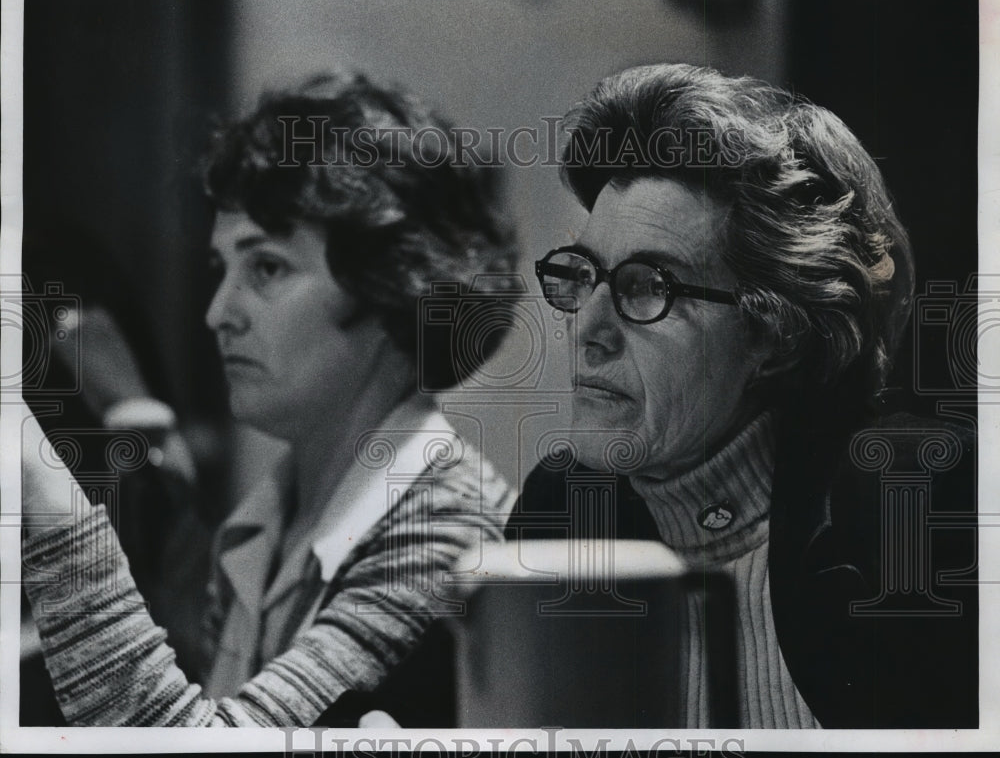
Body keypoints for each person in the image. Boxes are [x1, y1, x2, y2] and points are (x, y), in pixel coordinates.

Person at [20, 71, 517, 727]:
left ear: (391, 288)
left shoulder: (446, 531)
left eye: (267, 268)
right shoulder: (268, 524)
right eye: (222, 269)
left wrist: (31, 468)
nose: (217, 313)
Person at [508, 63, 977, 728]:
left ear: (774, 331)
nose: (588, 328)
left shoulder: (919, 503)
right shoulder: (563, 512)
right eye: (584, 275)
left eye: (647, 286)